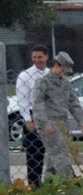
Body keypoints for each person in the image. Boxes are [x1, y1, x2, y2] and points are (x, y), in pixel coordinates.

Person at [32, 51, 83, 180]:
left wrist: (81, 120)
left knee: (54, 158)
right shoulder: (43, 81)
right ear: (57, 65)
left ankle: (48, 188)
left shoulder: (65, 82)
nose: (65, 72)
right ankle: (70, 186)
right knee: (60, 155)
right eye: (63, 68)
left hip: (63, 123)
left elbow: (73, 102)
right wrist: (46, 123)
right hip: (49, 123)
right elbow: (38, 104)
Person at [14, 46, 50, 185]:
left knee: (57, 151)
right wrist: (28, 120)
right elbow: (22, 100)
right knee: (35, 153)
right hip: (33, 115)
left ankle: (60, 180)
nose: (37, 60)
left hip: (50, 115)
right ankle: (34, 182)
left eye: (39, 57)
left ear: (46, 57)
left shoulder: (50, 74)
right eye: (34, 57)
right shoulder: (25, 76)